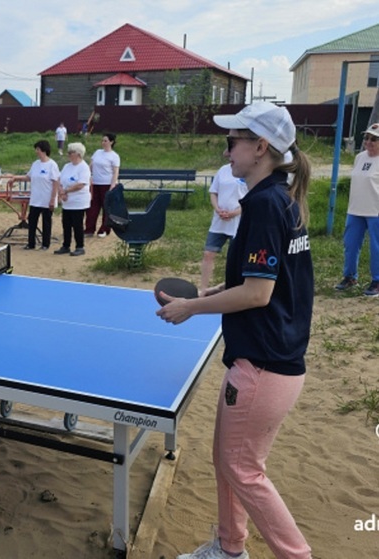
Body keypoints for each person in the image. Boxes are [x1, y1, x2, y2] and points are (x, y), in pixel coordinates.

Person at [157, 102, 313, 559]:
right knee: (226, 462)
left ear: (260, 147)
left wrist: (192, 307)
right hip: (264, 358)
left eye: (234, 141)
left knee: (243, 469)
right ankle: (230, 550)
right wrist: (213, 292)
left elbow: (258, 295)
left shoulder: (266, 204)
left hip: (264, 365)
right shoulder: (279, 198)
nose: (227, 151)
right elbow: (262, 280)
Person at [334, 122, 379, 296]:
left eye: (373, 139)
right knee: (351, 244)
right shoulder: (359, 157)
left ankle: (377, 280)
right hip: (355, 209)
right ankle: (350, 276)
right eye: (367, 138)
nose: (368, 142)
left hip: (375, 211)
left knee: (376, 247)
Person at [199, 163, 249, 292]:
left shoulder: (247, 169)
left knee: (234, 257)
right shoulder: (223, 170)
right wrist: (218, 209)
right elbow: (213, 192)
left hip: (238, 221)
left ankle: (231, 288)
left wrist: (234, 212)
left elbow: (251, 197)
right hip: (219, 220)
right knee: (208, 253)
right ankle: (203, 289)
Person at [6, 140, 60, 250]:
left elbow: (56, 182)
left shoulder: (52, 165)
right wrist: (15, 178)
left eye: (38, 149)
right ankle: (31, 244)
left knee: (46, 222)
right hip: (36, 199)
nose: (36, 152)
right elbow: (28, 177)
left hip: (46, 199)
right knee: (32, 221)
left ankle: (45, 244)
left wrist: (53, 198)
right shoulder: (35, 164)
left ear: (44, 150)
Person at [54, 142, 91, 256]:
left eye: (71, 152)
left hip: (78, 201)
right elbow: (60, 179)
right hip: (67, 201)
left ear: (78, 154)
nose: (69, 154)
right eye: (68, 152)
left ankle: (80, 246)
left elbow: (81, 184)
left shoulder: (84, 167)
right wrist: (61, 192)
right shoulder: (67, 166)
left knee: (77, 224)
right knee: (66, 224)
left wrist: (66, 191)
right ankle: (66, 245)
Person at [85, 133, 120, 238]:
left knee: (106, 207)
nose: (103, 142)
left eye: (105, 141)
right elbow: (90, 166)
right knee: (92, 207)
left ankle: (104, 229)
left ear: (111, 142)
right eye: (102, 141)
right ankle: (89, 229)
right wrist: (87, 176)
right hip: (95, 183)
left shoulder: (114, 156)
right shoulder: (97, 153)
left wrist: (112, 185)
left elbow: (115, 172)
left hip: (107, 184)